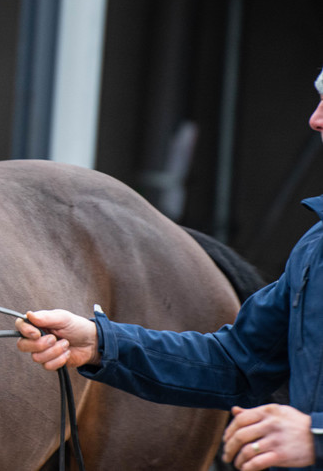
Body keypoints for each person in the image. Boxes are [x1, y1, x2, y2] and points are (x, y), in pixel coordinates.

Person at [16, 68, 323, 471]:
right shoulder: (316, 245)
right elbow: (237, 362)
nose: (315, 119)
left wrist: (316, 438)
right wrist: (101, 343)